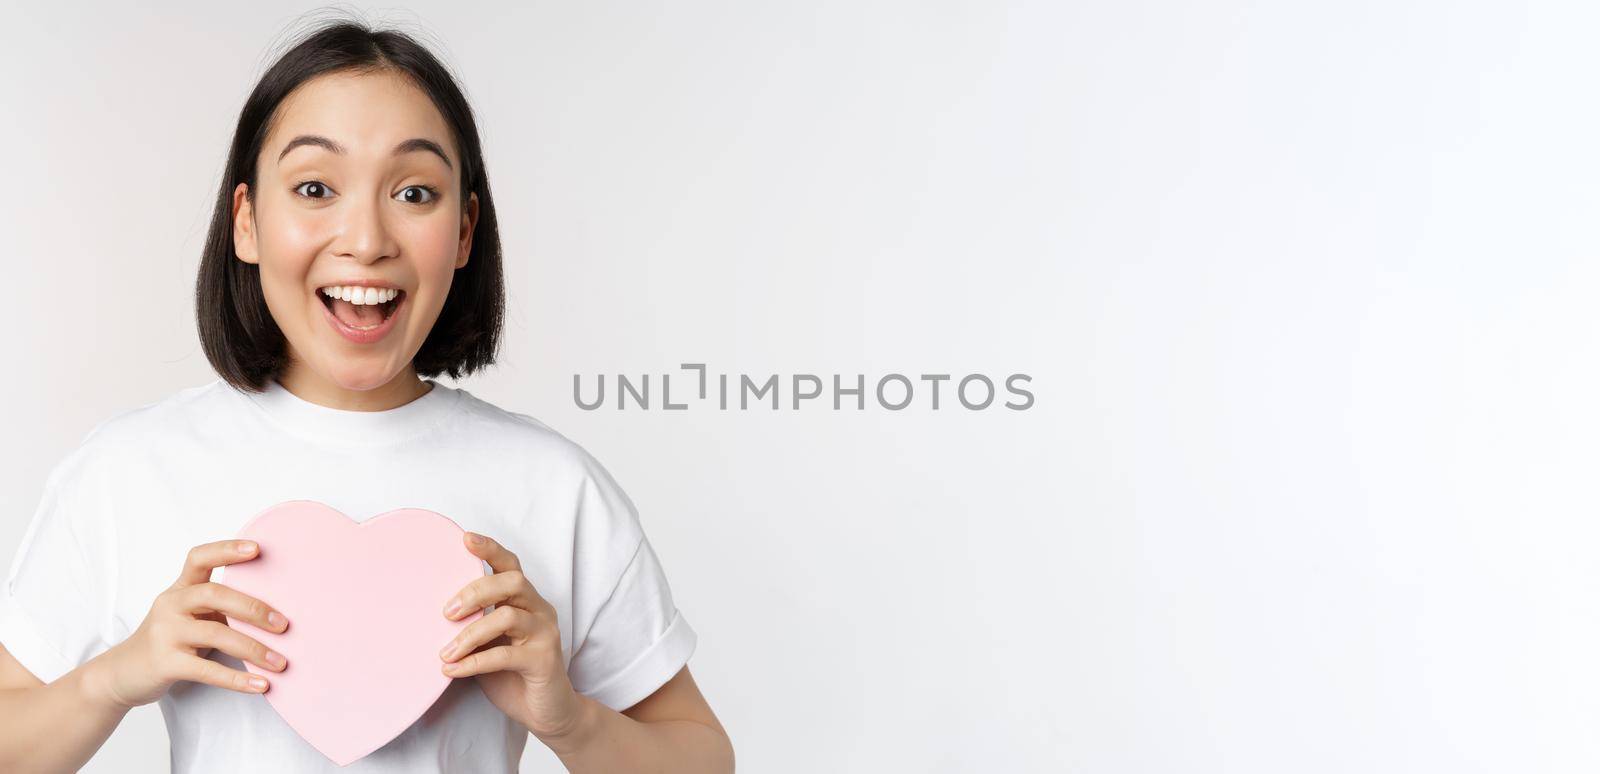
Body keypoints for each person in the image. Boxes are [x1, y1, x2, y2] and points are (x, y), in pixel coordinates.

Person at [0, 18, 733, 774]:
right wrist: (114, 679)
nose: (366, 238)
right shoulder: (129, 471)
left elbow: (702, 756)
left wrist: (572, 721)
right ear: (247, 222)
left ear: (463, 231)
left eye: (415, 192)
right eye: (315, 188)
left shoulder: (554, 486)